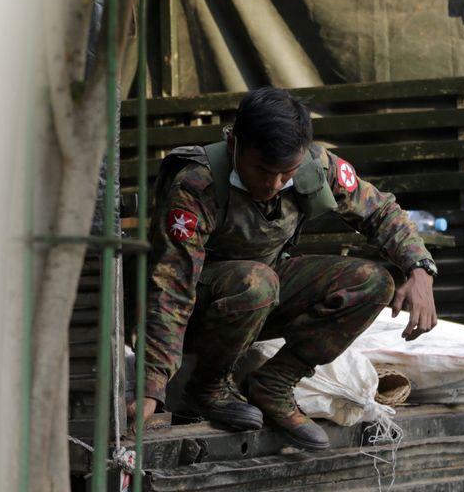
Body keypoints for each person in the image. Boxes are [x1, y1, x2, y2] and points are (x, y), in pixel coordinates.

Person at [137, 86, 439, 448]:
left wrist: (419, 269)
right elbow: (171, 287)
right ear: (234, 146)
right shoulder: (197, 185)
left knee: (373, 282)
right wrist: (151, 386)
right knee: (257, 282)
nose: (275, 184)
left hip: (262, 298)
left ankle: (275, 383)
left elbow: (380, 211)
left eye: (287, 173)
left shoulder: (316, 166)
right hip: (202, 311)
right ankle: (209, 387)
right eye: (263, 170)